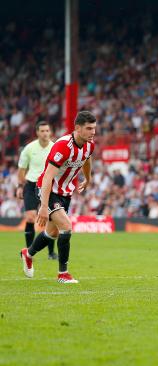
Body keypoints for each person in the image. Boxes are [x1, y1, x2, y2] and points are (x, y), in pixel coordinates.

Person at [19, 111, 96, 283]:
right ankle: (63, 274)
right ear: (77, 128)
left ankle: (28, 253)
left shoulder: (90, 145)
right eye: (89, 128)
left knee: (52, 233)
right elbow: (47, 177)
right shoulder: (63, 146)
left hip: (65, 192)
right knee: (66, 226)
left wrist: (88, 178)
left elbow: (87, 160)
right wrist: (44, 206)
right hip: (49, 189)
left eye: (94, 128)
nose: (93, 132)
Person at [16, 121, 57, 260]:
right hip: (31, 184)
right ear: (37, 133)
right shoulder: (29, 148)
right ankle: (29, 253)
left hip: (48, 185)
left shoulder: (55, 147)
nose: (45, 133)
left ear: (50, 132)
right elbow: (21, 170)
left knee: (51, 218)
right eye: (43, 131)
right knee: (30, 217)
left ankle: (51, 253)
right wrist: (20, 187)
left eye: (47, 130)